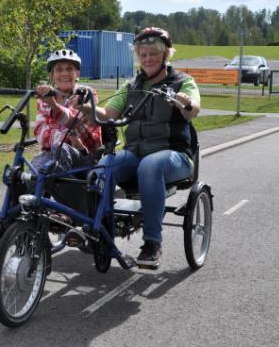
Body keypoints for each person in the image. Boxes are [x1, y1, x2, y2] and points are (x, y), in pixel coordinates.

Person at [82, 26, 200, 269]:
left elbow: (193, 110)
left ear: (166, 55)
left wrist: (185, 102)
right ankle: (101, 230)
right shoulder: (131, 86)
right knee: (102, 167)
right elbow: (107, 113)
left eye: (153, 54)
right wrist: (87, 107)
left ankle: (152, 243)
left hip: (175, 155)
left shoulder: (183, 82)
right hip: (136, 153)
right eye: (142, 54)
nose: (147, 59)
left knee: (150, 165)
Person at [0, 49, 103, 266]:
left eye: (69, 69)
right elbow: (41, 131)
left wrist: (56, 112)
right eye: (59, 69)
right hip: (54, 158)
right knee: (21, 175)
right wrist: (63, 130)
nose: (64, 73)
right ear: (52, 75)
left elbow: (81, 130)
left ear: (77, 72)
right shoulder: (45, 96)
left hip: (85, 159)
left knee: (51, 158)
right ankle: (1, 226)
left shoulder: (88, 93)